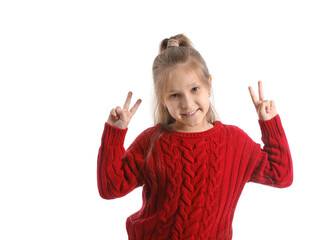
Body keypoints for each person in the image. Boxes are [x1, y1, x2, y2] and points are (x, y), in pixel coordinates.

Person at [97, 34, 293, 240]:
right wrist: (115, 132)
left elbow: (281, 174)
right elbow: (111, 188)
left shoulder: (235, 142)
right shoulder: (152, 142)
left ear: (209, 85)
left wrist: (269, 123)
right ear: (162, 98)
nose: (188, 104)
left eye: (195, 89)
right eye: (175, 95)